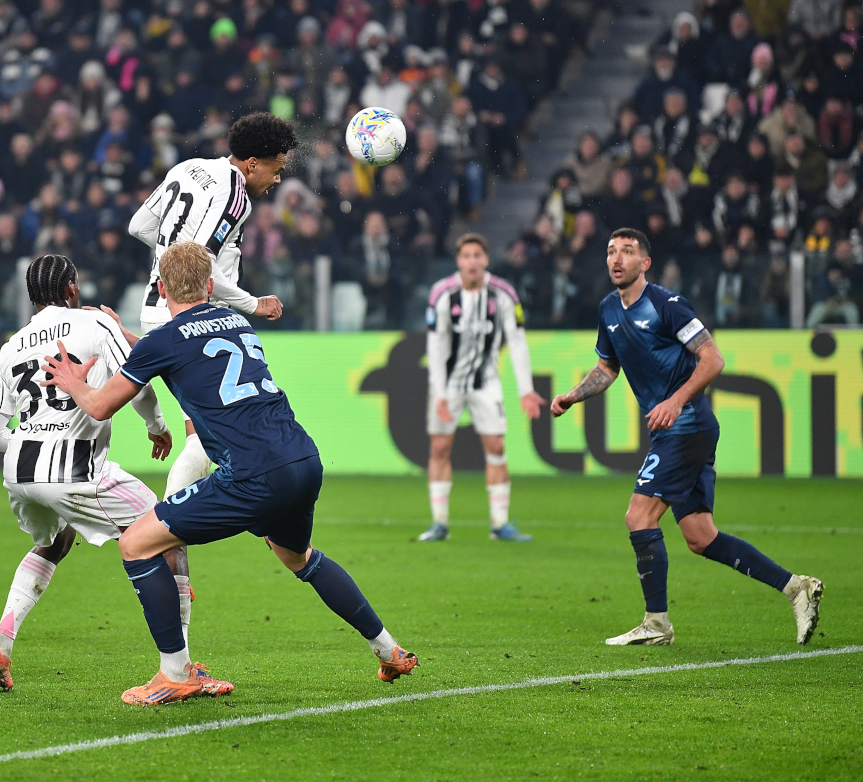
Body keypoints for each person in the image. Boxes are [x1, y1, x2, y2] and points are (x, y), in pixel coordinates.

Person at [40, 241, 418, 705]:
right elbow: (190, 350)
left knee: (137, 543)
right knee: (301, 558)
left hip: (252, 475)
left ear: (159, 288)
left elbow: (99, 406)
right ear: (211, 285)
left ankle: (174, 673)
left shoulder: (165, 340)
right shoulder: (235, 320)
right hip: (302, 459)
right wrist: (130, 339)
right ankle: (389, 649)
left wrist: (73, 379)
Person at [549, 228, 823, 646]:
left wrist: (675, 402)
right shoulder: (608, 309)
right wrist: (573, 396)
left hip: (686, 425)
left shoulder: (667, 304)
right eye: (610, 252)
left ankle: (656, 623)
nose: (616, 259)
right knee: (700, 536)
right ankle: (795, 588)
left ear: (646, 263)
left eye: (627, 251)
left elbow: (713, 359)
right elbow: (607, 368)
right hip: (678, 429)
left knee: (638, 516)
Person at [0, 255, 230, 697]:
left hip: (20, 472)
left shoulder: (12, 345)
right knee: (168, 528)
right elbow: (139, 376)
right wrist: (158, 427)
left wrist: (35, 439)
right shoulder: (93, 323)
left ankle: (1, 644)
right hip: (75, 468)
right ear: (72, 287)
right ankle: (181, 665)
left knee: (53, 541)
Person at [126, 112, 290, 506]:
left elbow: (139, 226)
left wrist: (169, 253)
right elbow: (203, 264)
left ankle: (166, 536)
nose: (278, 179)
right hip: (191, 318)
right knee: (203, 442)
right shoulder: (236, 197)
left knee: (202, 437)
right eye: (276, 168)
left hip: (154, 308)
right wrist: (253, 303)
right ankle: (163, 530)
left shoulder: (190, 167)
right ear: (252, 164)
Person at [419, 233, 546, 542]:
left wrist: (525, 389)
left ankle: (499, 524)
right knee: (439, 447)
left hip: (486, 381)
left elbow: (516, 341)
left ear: (486, 259)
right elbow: (435, 347)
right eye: (466, 256)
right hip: (448, 384)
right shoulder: (442, 294)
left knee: (497, 447)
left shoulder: (503, 294)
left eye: (477, 255)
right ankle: (439, 523)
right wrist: (439, 392)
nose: (472, 262)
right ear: (458, 261)